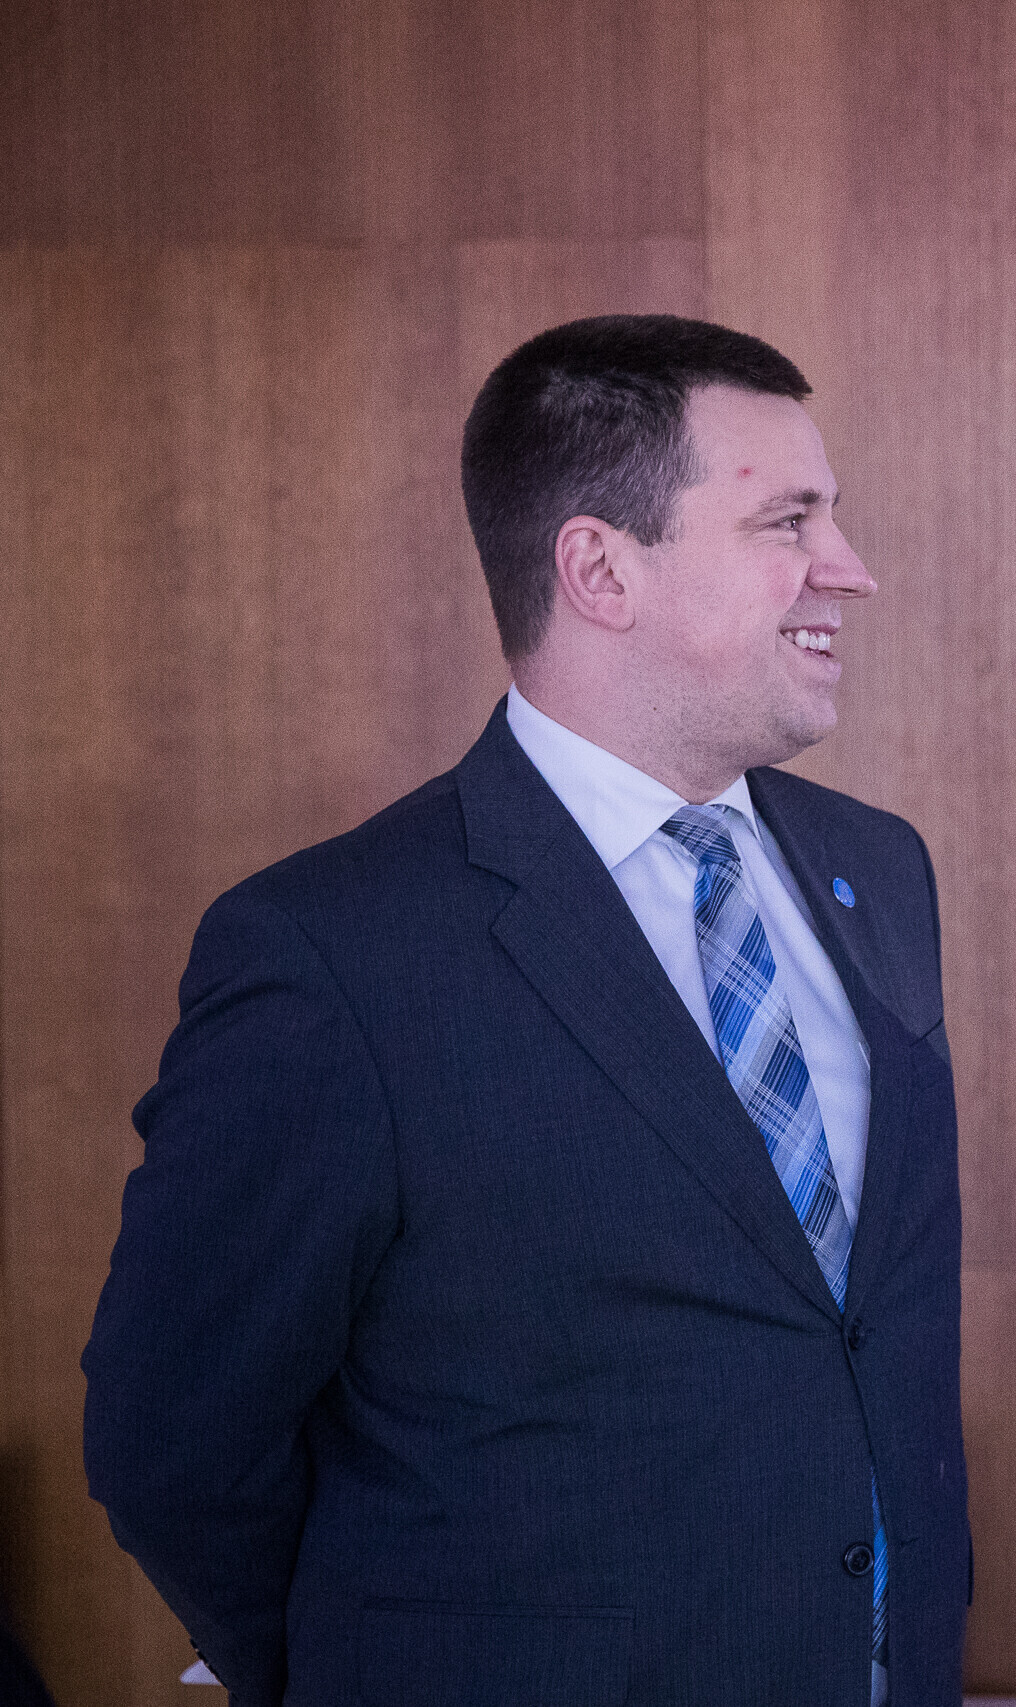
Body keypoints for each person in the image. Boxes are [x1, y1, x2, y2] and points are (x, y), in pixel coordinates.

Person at [83, 315, 968, 1706]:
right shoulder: (332, 954)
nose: (847, 569)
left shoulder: (881, 869)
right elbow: (174, 1437)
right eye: (787, 522)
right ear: (600, 569)